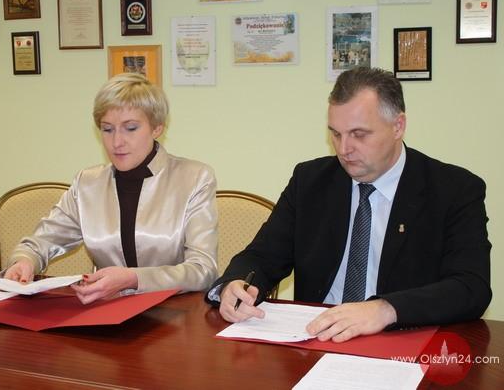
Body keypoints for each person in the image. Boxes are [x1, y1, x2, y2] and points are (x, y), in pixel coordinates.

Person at [207, 67, 491, 343]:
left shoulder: (453, 189)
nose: (344, 149)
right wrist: (234, 285)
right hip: (316, 338)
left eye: (359, 134)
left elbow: (471, 287)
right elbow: (262, 256)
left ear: (398, 126)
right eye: (336, 134)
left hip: (401, 341)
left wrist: (385, 309)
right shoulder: (310, 181)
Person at [4, 73, 218, 304]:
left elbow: (203, 270)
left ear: (157, 128)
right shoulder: (88, 183)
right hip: (106, 309)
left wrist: (133, 279)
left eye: (131, 128)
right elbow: (42, 242)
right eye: (107, 129)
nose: (117, 142)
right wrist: (25, 260)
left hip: (176, 312)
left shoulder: (194, 178)